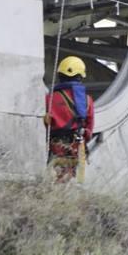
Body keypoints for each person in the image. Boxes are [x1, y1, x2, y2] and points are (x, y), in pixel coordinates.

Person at [45, 55, 95, 184]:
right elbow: (89, 130)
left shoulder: (49, 98)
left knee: (52, 179)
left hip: (55, 146)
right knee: (72, 181)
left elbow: (44, 123)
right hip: (76, 147)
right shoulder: (87, 100)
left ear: (60, 76)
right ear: (80, 77)